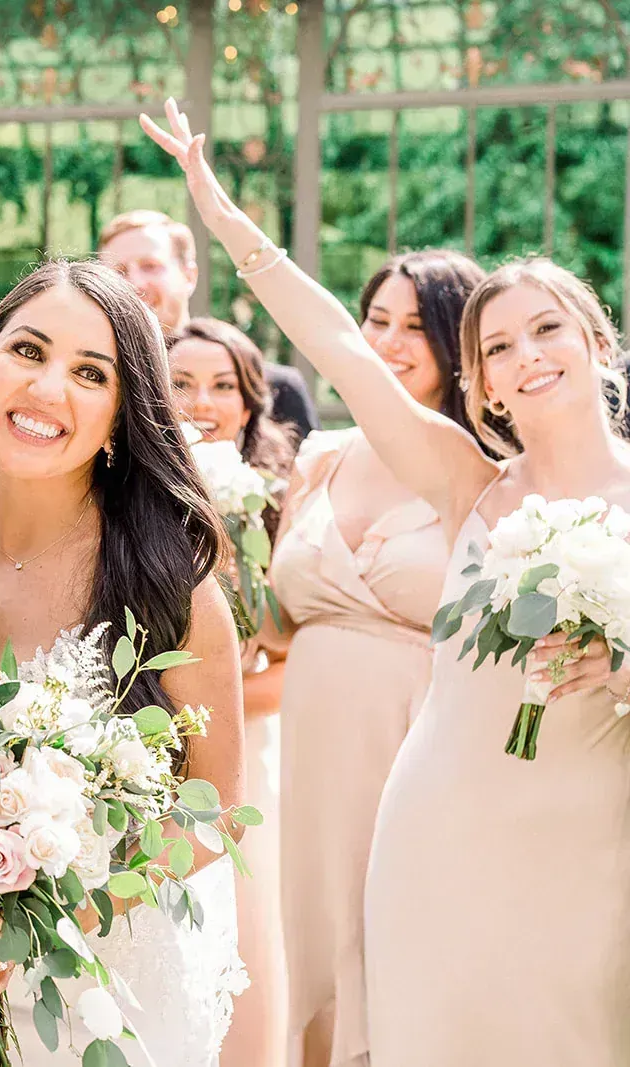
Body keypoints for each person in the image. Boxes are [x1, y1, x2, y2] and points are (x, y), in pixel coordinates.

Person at [147, 97, 630, 1067]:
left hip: (592, 834)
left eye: (547, 329)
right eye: (497, 347)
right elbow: (335, 345)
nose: (524, 356)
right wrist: (225, 219)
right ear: (482, 384)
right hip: (439, 820)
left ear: (596, 343)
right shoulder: (465, 481)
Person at [0, 259, 248, 1066]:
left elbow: (214, 815)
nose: (48, 388)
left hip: (98, 993)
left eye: (90, 373)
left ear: (121, 416)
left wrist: (41, 925)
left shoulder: (168, 586)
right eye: (28, 351)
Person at [266, 249, 485, 1067]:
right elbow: (278, 624)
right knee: (314, 936)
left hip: (417, 737)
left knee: (395, 934)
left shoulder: (479, 467)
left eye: (416, 327)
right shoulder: (320, 456)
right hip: (309, 749)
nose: (391, 343)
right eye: (377, 322)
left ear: (457, 346)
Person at [168, 316, 295, 1067]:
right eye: (181, 382)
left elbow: (287, 638)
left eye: (223, 386)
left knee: (249, 923)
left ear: (249, 404)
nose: (202, 401)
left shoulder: (274, 501)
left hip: (246, 739)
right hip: (144, 741)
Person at [100, 209, 319, 442]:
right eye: (118, 272)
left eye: (150, 266)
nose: (134, 283)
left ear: (189, 276)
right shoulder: (97, 386)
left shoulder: (277, 388)